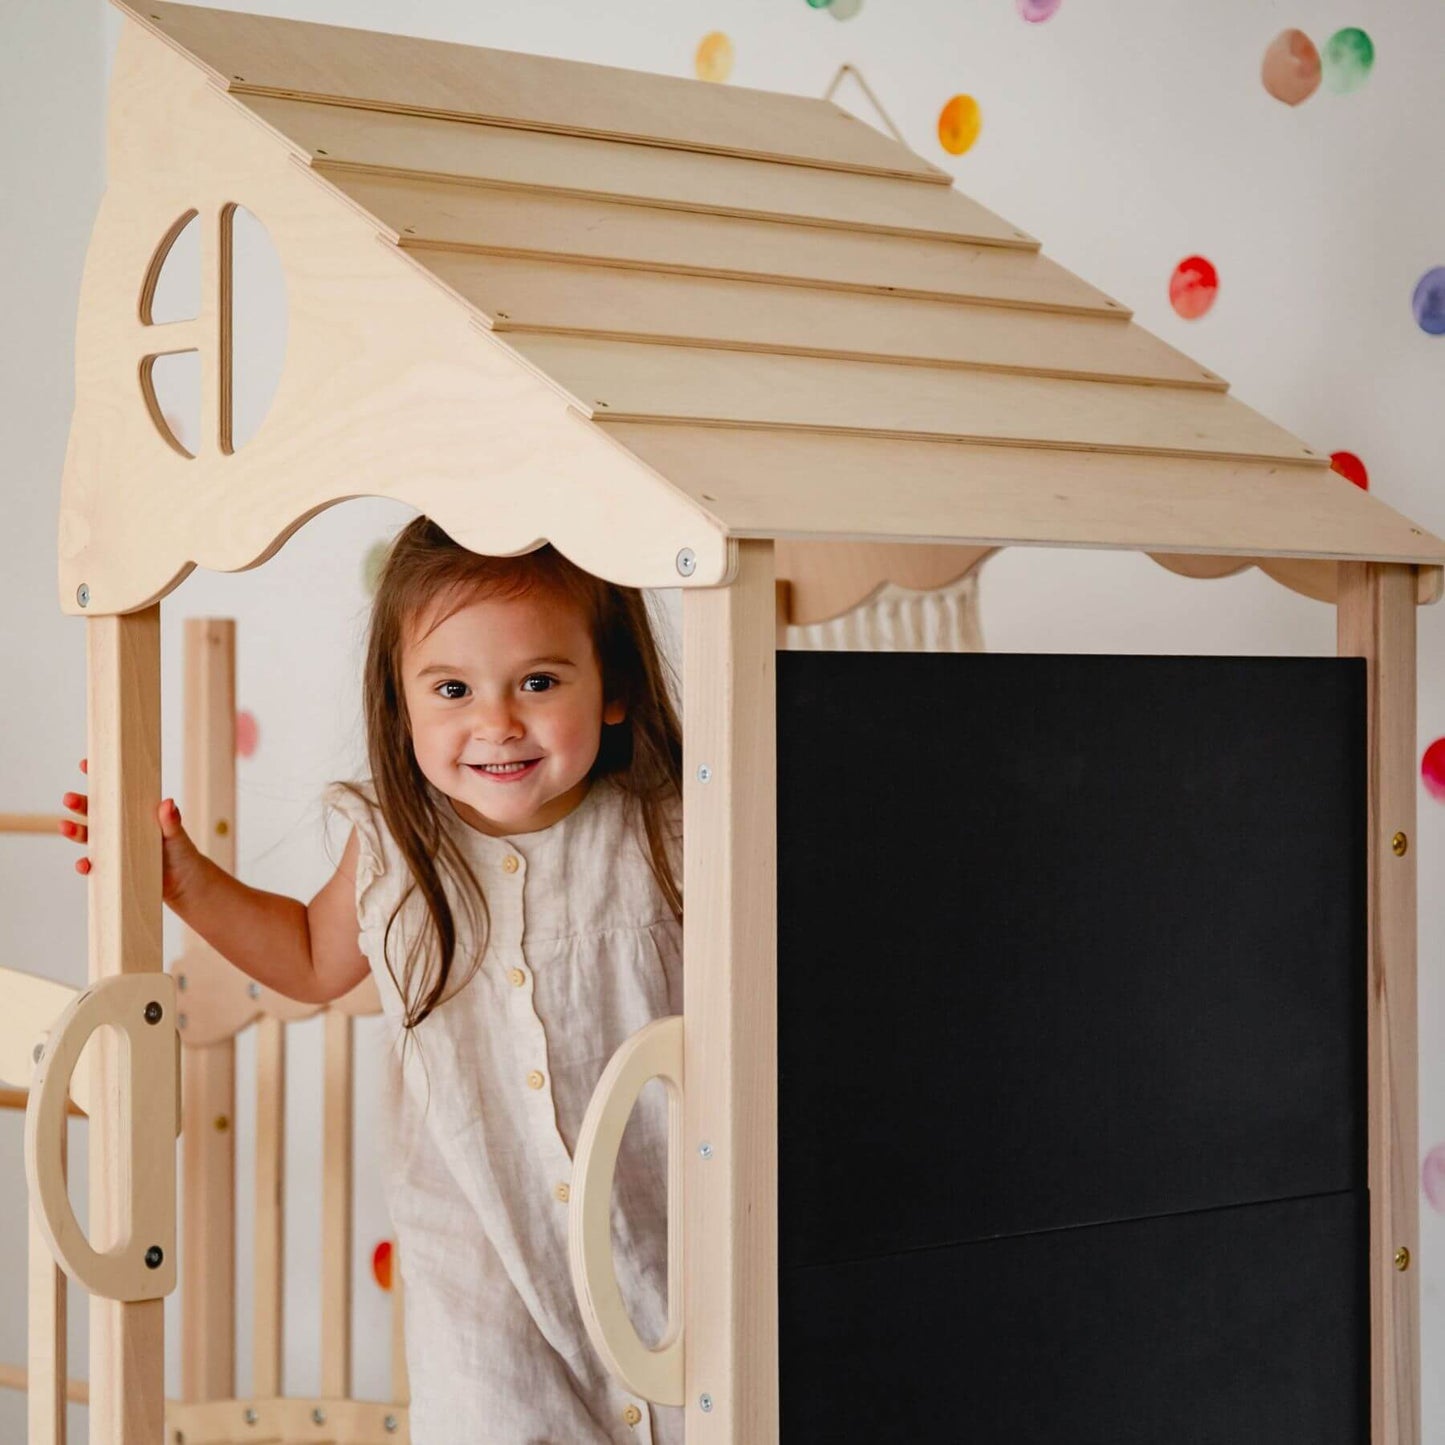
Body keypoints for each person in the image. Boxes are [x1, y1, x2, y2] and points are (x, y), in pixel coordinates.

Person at [61, 516, 685, 1445]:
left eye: (539, 682)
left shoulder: (669, 831)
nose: (497, 721)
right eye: (452, 689)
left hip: (662, 1231)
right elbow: (312, 958)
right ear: (403, 706)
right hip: (481, 1260)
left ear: (614, 692)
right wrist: (184, 879)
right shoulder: (401, 842)